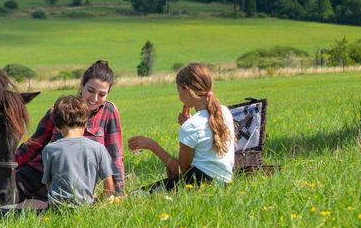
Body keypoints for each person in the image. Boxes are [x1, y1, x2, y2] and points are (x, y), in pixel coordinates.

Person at [13, 60, 125, 200]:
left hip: (74, 184)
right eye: (90, 91)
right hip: (38, 172)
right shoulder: (59, 109)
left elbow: (115, 156)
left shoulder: (109, 112)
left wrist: (119, 193)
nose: (94, 98)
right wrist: (7, 163)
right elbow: (34, 145)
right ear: (82, 85)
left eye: (102, 94)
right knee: (1, 197)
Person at [128, 62, 235, 191]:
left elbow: (180, 170)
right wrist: (188, 124)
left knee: (136, 194)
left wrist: (151, 145)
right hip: (224, 183)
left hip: (198, 182)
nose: (179, 95)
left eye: (179, 90)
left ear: (187, 90)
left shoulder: (191, 126)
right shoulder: (224, 112)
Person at [42, 95, 115, 206]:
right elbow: (109, 188)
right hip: (86, 206)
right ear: (85, 124)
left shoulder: (49, 149)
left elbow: (48, 184)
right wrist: (96, 202)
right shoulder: (98, 148)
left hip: (56, 208)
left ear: (57, 126)